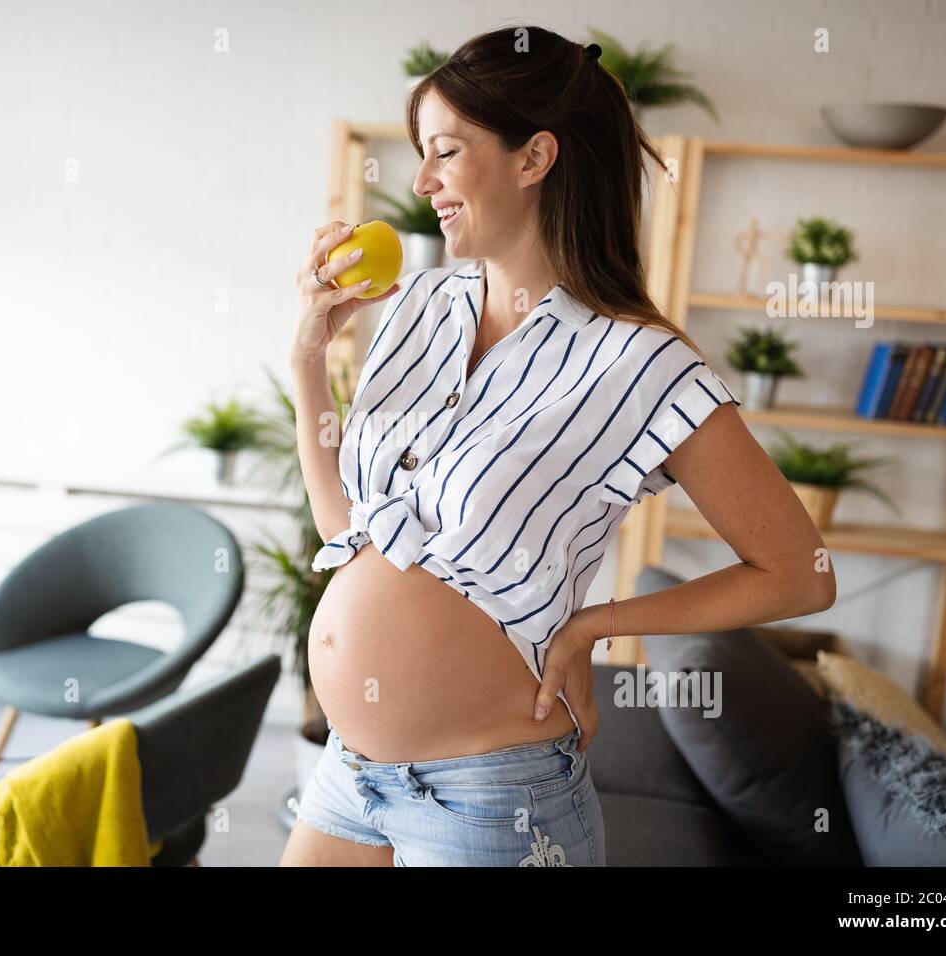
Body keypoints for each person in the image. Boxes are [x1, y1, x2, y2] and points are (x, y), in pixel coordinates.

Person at [279, 26, 835, 867]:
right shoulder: (421, 306)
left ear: (535, 156)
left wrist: (594, 625)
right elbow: (347, 537)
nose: (423, 182)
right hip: (353, 774)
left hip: (494, 793)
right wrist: (308, 360)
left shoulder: (641, 361)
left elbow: (800, 572)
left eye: (446, 153)